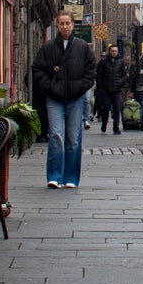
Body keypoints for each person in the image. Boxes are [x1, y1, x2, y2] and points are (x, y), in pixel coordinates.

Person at [31, 11, 97, 188]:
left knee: (73, 138)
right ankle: (54, 176)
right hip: (55, 99)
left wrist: (82, 87)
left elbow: (91, 69)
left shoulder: (82, 47)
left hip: (75, 99)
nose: (65, 27)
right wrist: (50, 87)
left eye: (68, 23)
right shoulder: (48, 47)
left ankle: (71, 178)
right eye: (61, 24)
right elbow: (37, 69)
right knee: (56, 136)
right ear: (57, 25)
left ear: (72, 25)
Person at [95, 42, 126, 134]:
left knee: (117, 109)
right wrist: (100, 87)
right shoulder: (104, 62)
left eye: (115, 51)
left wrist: (121, 82)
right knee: (106, 108)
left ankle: (116, 128)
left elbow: (124, 75)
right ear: (109, 51)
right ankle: (104, 123)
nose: (114, 53)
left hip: (117, 90)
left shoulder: (120, 62)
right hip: (106, 90)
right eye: (112, 51)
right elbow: (99, 75)